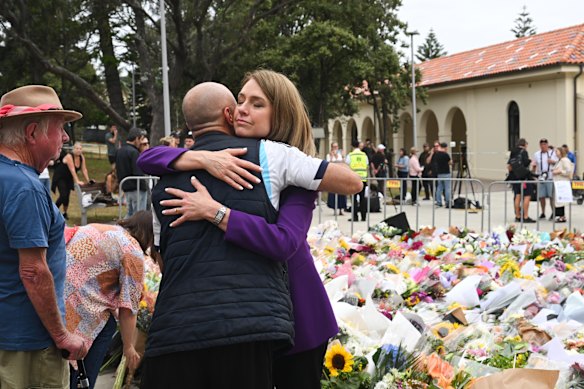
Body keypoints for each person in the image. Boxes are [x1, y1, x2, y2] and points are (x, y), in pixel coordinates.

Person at [137, 76, 362, 389]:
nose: (241, 110)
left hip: (298, 310)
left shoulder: (293, 172)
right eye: (240, 100)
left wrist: (216, 212)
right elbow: (147, 158)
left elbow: (283, 241)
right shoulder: (221, 158)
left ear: (280, 115)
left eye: (256, 104)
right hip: (250, 312)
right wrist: (203, 157)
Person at [0, 85, 87, 388]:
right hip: (25, 342)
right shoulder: (24, 186)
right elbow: (33, 270)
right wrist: (62, 335)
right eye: (60, 128)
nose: (65, 137)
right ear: (33, 132)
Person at [66, 210, 154, 388]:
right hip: (81, 312)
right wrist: (129, 347)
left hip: (58, 301)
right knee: (107, 325)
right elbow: (128, 309)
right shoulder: (132, 251)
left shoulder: (100, 228)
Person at [51, 141, 91, 220]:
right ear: (73, 149)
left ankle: (65, 213)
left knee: (67, 197)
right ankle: (52, 211)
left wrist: (88, 180)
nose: (78, 150)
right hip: (60, 176)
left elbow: (84, 169)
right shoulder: (69, 156)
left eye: (80, 149)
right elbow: (72, 170)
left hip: (68, 178)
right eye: (77, 148)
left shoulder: (81, 157)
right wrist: (77, 181)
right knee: (63, 195)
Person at [116, 127, 148, 217]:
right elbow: (137, 172)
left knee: (130, 212)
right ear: (136, 138)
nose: (141, 143)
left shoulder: (120, 151)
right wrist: (144, 186)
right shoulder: (134, 152)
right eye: (140, 139)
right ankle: (136, 231)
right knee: (139, 214)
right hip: (136, 187)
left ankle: (123, 229)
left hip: (126, 186)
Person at [507, 138, 535, 223]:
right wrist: (530, 161)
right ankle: (525, 216)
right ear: (524, 144)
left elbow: (509, 166)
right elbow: (526, 163)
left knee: (517, 196)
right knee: (527, 195)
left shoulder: (513, 151)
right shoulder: (524, 152)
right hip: (524, 177)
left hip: (515, 177)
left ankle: (517, 215)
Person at [532, 138, 558, 219]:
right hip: (540, 177)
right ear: (540, 145)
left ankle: (553, 212)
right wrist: (533, 175)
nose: (543, 146)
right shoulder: (536, 154)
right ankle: (543, 212)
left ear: (547, 145)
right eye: (542, 144)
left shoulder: (553, 153)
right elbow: (534, 165)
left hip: (550, 177)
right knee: (541, 196)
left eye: (545, 144)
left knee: (551, 196)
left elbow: (558, 162)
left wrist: (552, 162)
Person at [346, 140, 369, 221]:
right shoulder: (364, 155)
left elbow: (347, 166)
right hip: (363, 179)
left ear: (352, 146)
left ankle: (355, 217)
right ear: (359, 146)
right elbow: (366, 165)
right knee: (363, 198)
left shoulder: (350, 155)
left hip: (353, 180)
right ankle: (363, 217)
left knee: (354, 199)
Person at [551, 146, 573, 223]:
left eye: (557, 151)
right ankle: (560, 215)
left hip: (562, 182)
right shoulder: (559, 161)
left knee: (560, 200)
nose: (555, 153)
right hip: (558, 182)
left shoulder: (565, 160)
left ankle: (561, 216)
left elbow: (568, 171)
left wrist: (559, 171)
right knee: (558, 200)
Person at [326, 142, 347, 215]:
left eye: (336, 147)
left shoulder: (341, 155)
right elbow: (329, 164)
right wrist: (332, 157)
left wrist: (343, 157)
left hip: (341, 175)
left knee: (341, 192)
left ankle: (341, 209)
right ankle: (334, 209)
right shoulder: (329, 155)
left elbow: (344, 163)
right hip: (333, 176)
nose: (335, 148)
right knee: (333, 193)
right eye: (334, 147)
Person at [432, 142, 452, 207]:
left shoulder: (437, 154)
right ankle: (448, 202)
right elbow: (450, 162)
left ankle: (439, 202)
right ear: (445, 148)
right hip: (446, 172)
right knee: (447, 188)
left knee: (439, 188)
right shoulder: (446, 154)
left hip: (439, 173)